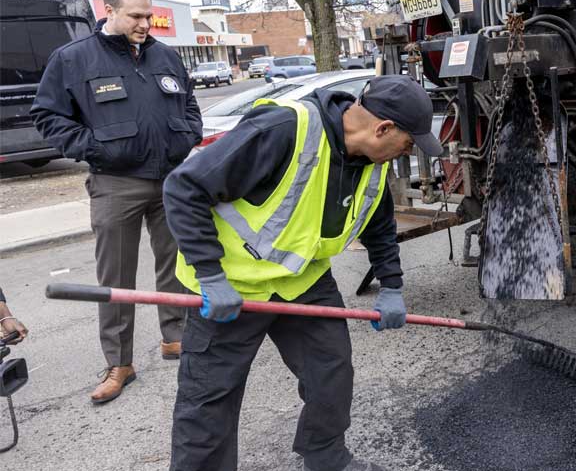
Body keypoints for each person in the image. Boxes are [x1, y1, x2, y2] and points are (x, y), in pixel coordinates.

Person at [162, 75, 442, 471]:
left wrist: (392, 286)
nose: (406, 153)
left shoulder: (373, 165)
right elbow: (184, 188)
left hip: (303, 281)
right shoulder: (283, 130)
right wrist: (210, 275)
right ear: (382, 128)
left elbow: (379, 226)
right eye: (408, 143)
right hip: (232, 286)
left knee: (331, 371)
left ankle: (327, 458)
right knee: (210, 398)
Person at [30, 0, 201, 404]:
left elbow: (189, 104)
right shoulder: (73, 58)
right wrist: (94, 148)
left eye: (149, 16)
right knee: (116, 278)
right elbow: (48, 116)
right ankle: (119, 362)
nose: (145, 24)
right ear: (109, 11)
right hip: (115, 183)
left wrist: (188, 135)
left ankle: (175, 337)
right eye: (136, 16)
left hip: (170, 179)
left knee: (176, 266)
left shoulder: (165, 55)